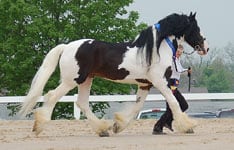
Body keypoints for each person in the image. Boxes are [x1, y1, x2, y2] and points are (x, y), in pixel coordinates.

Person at [153, 44, 192, 134]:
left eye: (180, 52)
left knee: (181, 106)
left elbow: (179, 72)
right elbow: (179, 70)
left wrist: (187, 72)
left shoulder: (177, 60)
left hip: (174, 85)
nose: (179, 53)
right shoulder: (172, 59)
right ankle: (159, 126)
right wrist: (186, 70)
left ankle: (164, 123)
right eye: (178, 51)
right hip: (170, 85)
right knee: (180, 106)